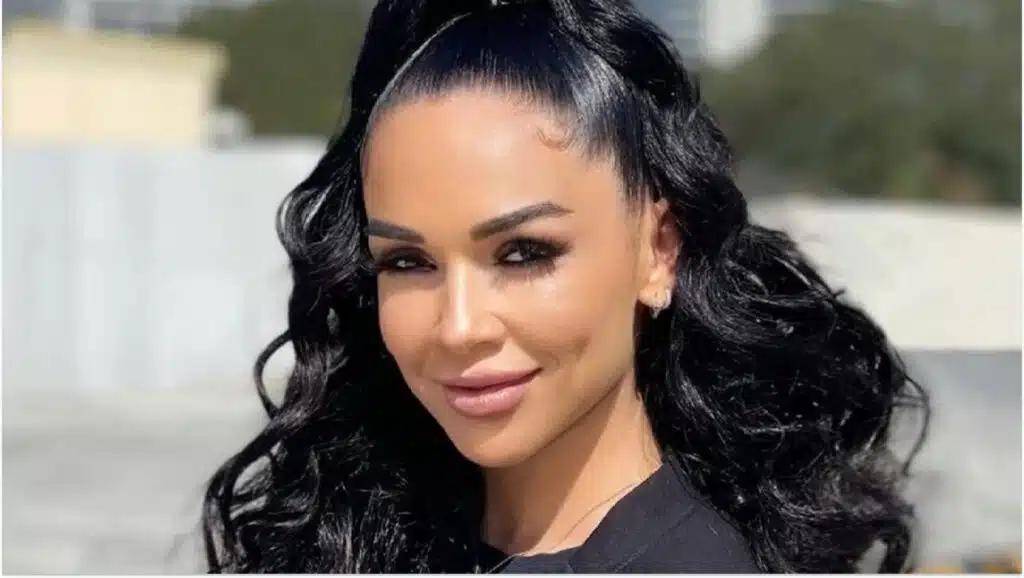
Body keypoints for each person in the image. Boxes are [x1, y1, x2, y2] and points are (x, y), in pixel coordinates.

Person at [202, 0, 929, 573]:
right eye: (408, 262)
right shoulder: (360, 531)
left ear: (659, 251)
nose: (459, 326)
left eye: (524, 253)